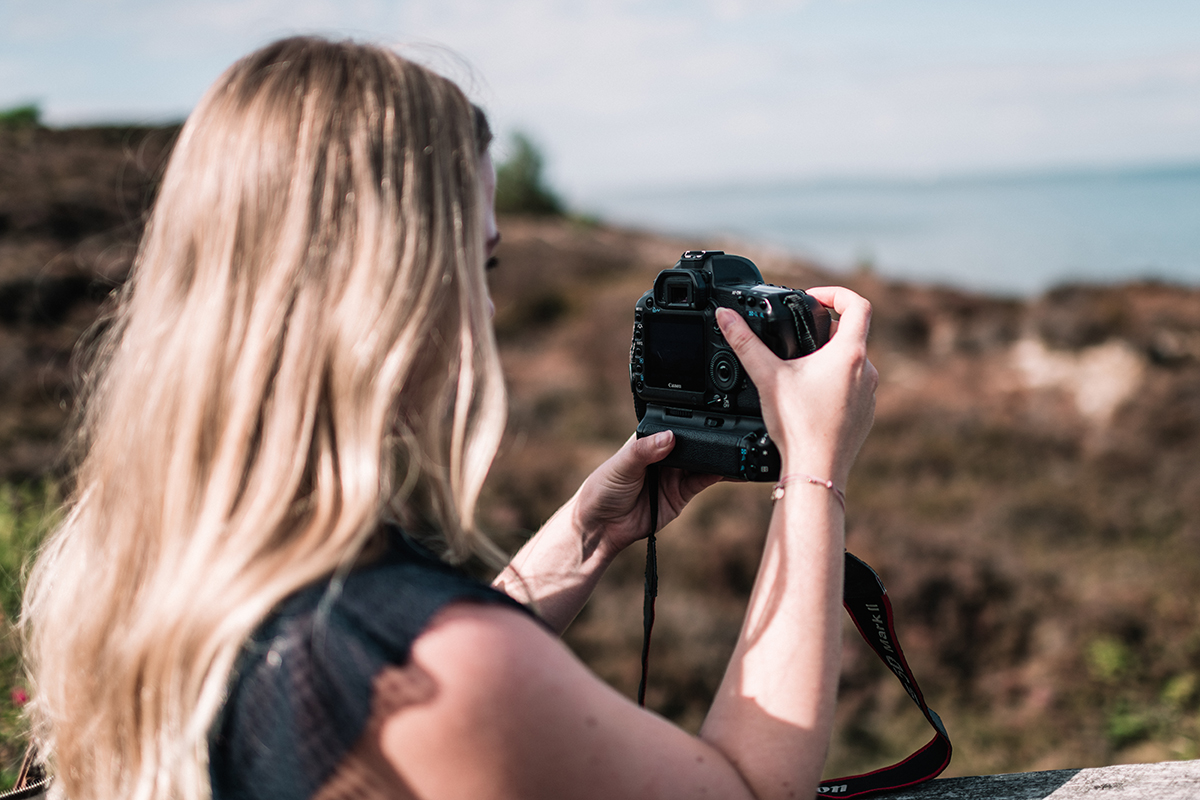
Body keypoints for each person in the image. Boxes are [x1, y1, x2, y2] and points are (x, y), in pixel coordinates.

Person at [21, 36, 877, 800]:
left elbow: (381, 662)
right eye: (477, 262)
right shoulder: (430, 668)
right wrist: (813, 471)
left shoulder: (132, 560)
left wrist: (587, 535)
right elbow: (753, 791)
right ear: (384, 290)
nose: (486, 311)